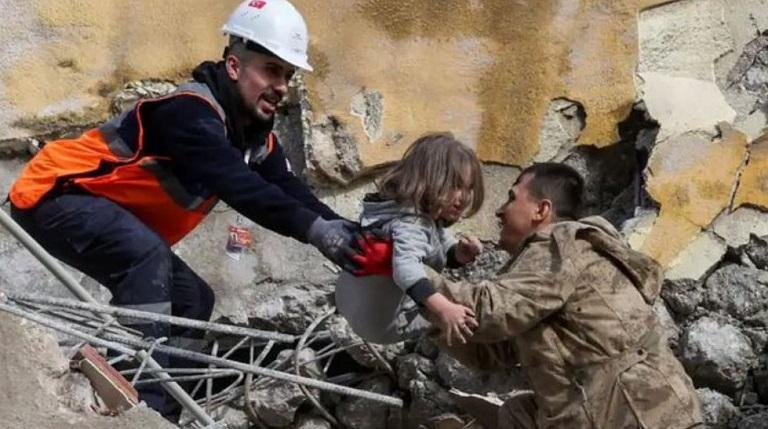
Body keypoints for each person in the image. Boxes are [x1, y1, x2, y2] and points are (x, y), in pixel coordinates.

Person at [7, 0, 383, 417]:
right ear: (235, 66)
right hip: (53, 194)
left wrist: (347, 232)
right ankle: (140, 409)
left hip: (103, 211)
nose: (282, 85)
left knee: (192, 300)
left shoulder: (254, 138)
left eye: (289, 75)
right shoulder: (190, 112)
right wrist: (317, 232)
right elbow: (238, 185)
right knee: (146, 257)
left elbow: (290, 191)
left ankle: (164, 412)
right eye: (271, 70)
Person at [426, 163, 703, 429]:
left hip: (644, 415)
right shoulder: (538, 278)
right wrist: (424, 314)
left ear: (541, 210)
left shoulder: (561, 245)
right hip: (618, 414)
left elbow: (491, 310)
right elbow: (494, 353)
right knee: (518, 414)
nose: (500, 211)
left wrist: (412, 278)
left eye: (511, 198)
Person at [336, 133, 484, 345]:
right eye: (456, 186)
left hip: (349, 303)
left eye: (468, 188)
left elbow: (438, 241)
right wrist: (444, 308)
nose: (464, 197)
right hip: (385, 325)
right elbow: (406, 268)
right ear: (429, 181)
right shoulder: (410, 223)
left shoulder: (403, 212)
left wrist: (458, 253)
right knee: (472, 316)